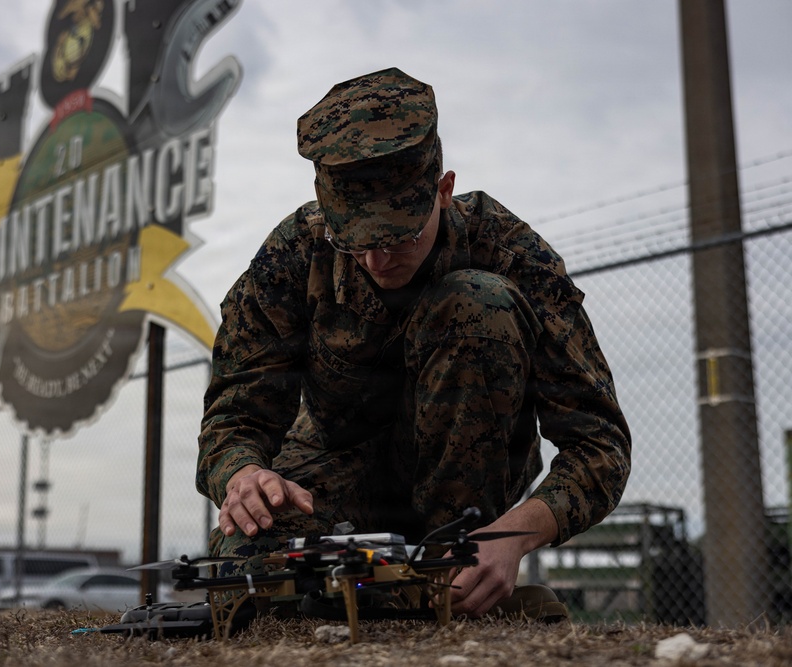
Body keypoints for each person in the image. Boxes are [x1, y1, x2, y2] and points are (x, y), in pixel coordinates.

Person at [196, 67, 631, 618]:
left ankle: (453, 573)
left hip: (467, 495)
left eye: (399, 237)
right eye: (354, 241)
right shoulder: (293, 255)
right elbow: (234, 417)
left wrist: (510, 537)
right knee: (246, 569)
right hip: (333, 470)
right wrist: (243, 475)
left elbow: (599, 446)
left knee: (477, 301)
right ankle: (412, 596)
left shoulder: (513, 256)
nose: (377, 260)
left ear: (443, 191)